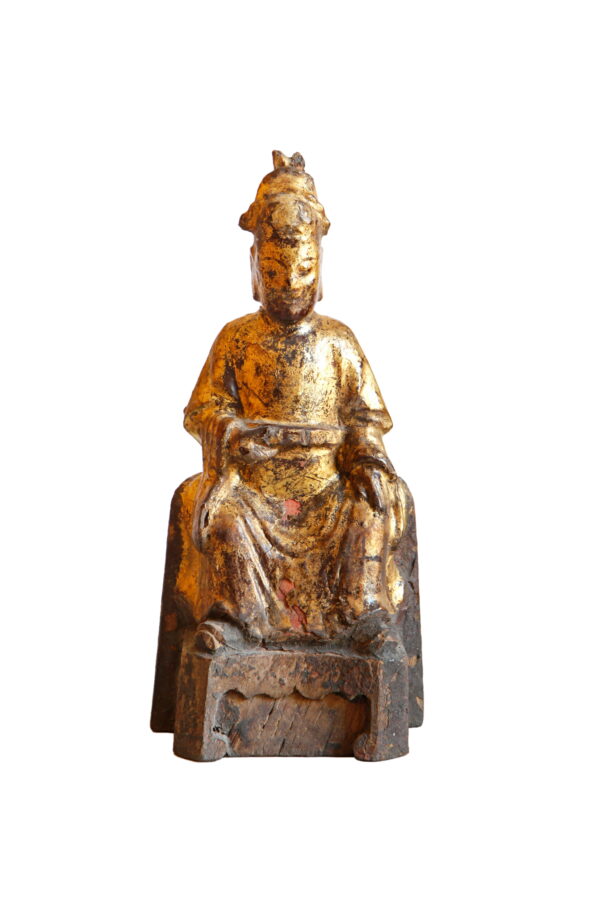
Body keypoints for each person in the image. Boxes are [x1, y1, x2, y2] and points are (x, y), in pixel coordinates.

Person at [180, 151, 411, 644]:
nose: (288, 282)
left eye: (303, 268)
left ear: (320, 269)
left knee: (372, 507)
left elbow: (366, 419)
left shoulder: (338, 342)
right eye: (274, 268)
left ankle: (362, 618)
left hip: (327, 484)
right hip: (255, 487)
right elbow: (204, 409)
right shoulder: (236, 339)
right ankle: (234, 624)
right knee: (225, 519)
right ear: (254, 267)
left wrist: (368, 461)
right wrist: (232, 432)